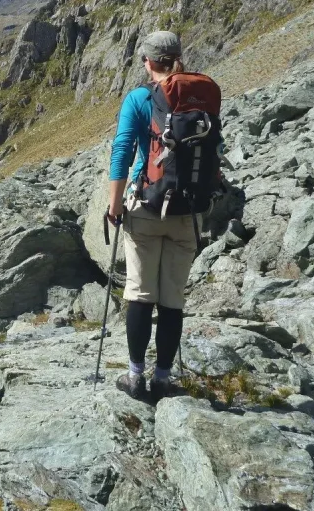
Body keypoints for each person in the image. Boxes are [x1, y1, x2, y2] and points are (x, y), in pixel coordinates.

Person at [107, 30, 196, 402]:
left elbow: (122, 151)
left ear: (148, 61)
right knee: (172, 298)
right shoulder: (200, 94)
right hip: (187, 210)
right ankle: (163, 378)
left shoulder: (139, 98)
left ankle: (135, 377)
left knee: (140, 294)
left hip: (145, 205)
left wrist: (114, 206)